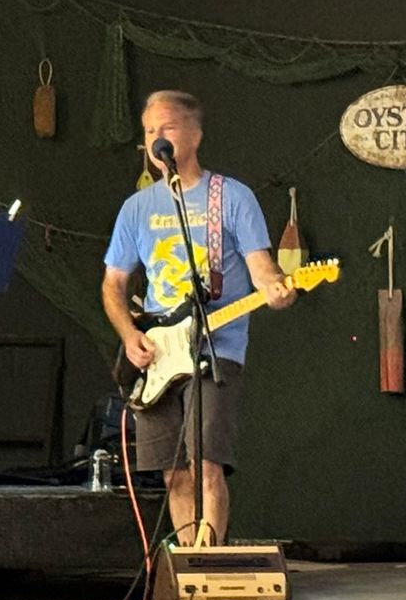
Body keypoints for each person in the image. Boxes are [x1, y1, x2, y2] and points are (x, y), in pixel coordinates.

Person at [101, 90, 294, 545]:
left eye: (166, 128)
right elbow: (113, 285)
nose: (156, 139)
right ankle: (189, 568)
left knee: (206, 465)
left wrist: (277, 290)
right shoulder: (138, 208)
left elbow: (261, 268)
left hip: (215, 348)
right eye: (149, 131)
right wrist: (130, 335)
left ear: (195, 134)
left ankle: (211, 565)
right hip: (158, 354)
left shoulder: (231, 197)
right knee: (173, 474)